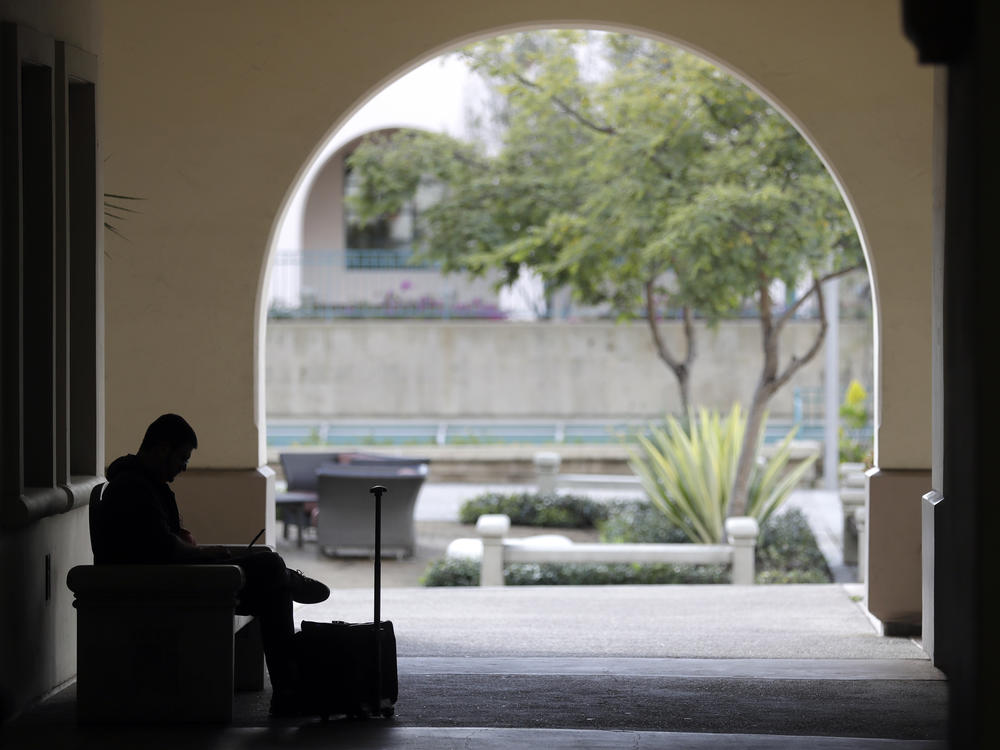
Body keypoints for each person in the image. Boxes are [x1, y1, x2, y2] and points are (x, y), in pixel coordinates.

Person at [92, 413, 326, 716]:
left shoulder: (139, 484)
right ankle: (289, 579)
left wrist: (196, 550)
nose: (184, 466)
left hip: (165, 581)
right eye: (182, 457)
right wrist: (201, 554)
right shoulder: (133, 489)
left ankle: (288, 693)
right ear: (162, 449)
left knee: (274, 593)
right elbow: (165, 548)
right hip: (165, 587)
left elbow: (160, 542)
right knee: (269, 566)